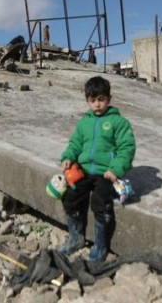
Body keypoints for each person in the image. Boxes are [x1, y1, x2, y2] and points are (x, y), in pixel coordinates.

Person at [58, 76, 136, 261]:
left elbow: (127, 148)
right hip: (84, 170)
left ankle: (100, 246)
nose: (97, 105)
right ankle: (76, 238)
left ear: (109, 99)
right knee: (70, 196)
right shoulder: (83, 123)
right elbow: (75, 143)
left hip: (106, 173)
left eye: (101, 99)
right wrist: (68, 157)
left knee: (100, 203)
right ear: (87, 101)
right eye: (92, 100)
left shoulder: (119, 122)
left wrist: (115, 169)